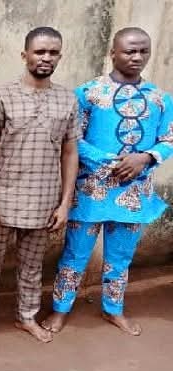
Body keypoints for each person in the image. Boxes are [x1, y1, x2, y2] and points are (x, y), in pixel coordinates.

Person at [42, 27, 173, 336]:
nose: (137, 57)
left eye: (143, 51)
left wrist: (145, 157)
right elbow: (72, 139)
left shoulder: (160, 99)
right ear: (113, 53)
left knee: (121, 258)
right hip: (91, 193)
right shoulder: (88, 93)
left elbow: (168, 138)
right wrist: (110, 162)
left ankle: (113, 309)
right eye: (129, 51)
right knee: (75, 255)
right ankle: (60, 309)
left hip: (134, 195)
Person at [0, 27, 79, 346]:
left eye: (53, 52)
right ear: (24, 55)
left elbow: (70, 152)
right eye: (39, 51)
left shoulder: (67, 99)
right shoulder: (1, 95)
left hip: (44, 200)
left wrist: (64, 203)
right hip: (3, 199)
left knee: (31, 267)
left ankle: (26, 317)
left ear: (60, 57)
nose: (46, 58)